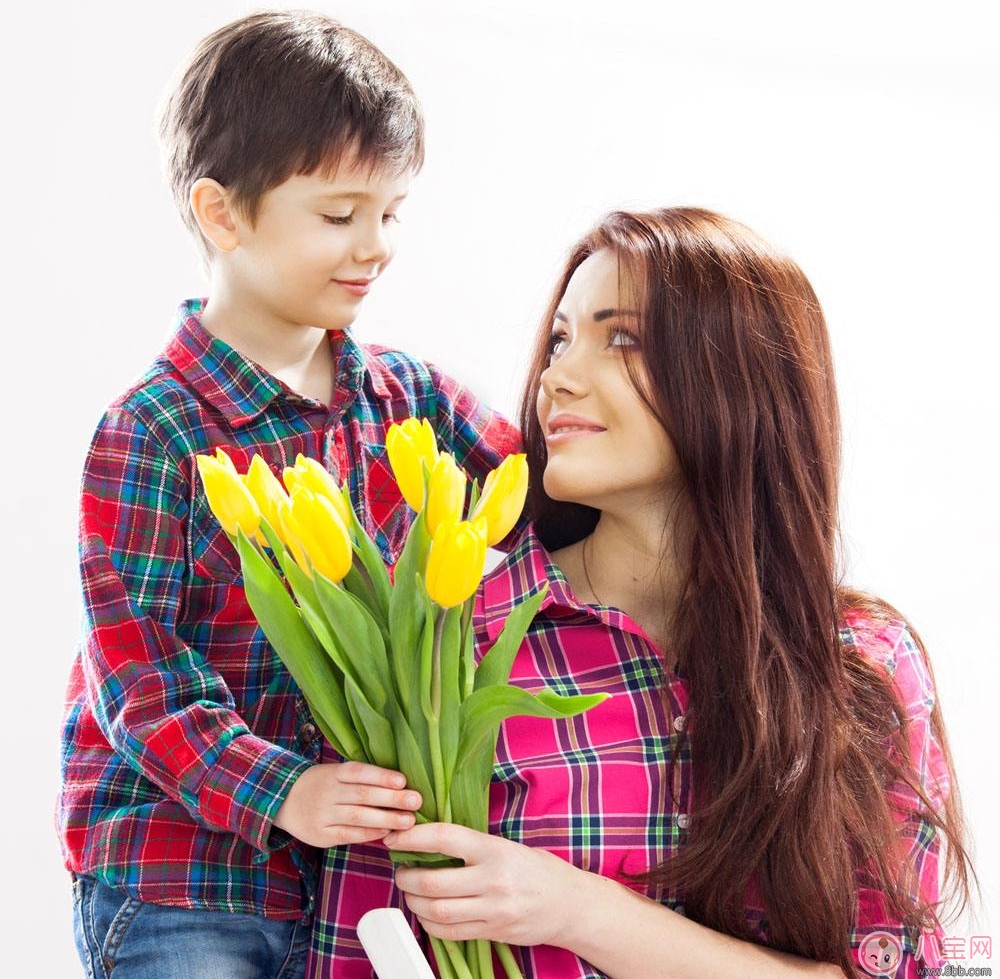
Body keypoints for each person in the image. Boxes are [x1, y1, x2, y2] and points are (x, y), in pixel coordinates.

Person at [307, 208, 974, 978]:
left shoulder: (860, 665)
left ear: (739, 379)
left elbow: (895, 969)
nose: (557, 374)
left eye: (619, 337)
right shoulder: (450, 649)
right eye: (560, 338)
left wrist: (580, 911)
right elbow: (357, 951)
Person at [57, 10, 519, 979]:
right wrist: (283, 789)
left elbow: (539, 497)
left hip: (349, 885)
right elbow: (139, 674)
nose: (378, 244)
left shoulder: (410, 401)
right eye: (341, 215)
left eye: (391, 213)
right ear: (223, 214)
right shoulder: (151, 430)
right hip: (180, 875)